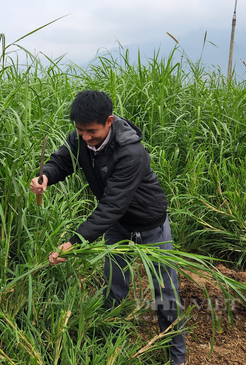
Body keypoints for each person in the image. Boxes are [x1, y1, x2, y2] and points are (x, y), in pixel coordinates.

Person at [30, 90, 186, 365]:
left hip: (150, 225)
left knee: (165, 291)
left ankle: (177, 357)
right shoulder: (80, 139)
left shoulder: (131, 152)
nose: (86, 138)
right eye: (80, 131)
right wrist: (46, 175)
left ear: (109, 121)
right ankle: (111, 341)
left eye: (92, 131)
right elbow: (62, 161)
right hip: (118, 225)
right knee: (115, 284)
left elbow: (112, 205)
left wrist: (75, 241)